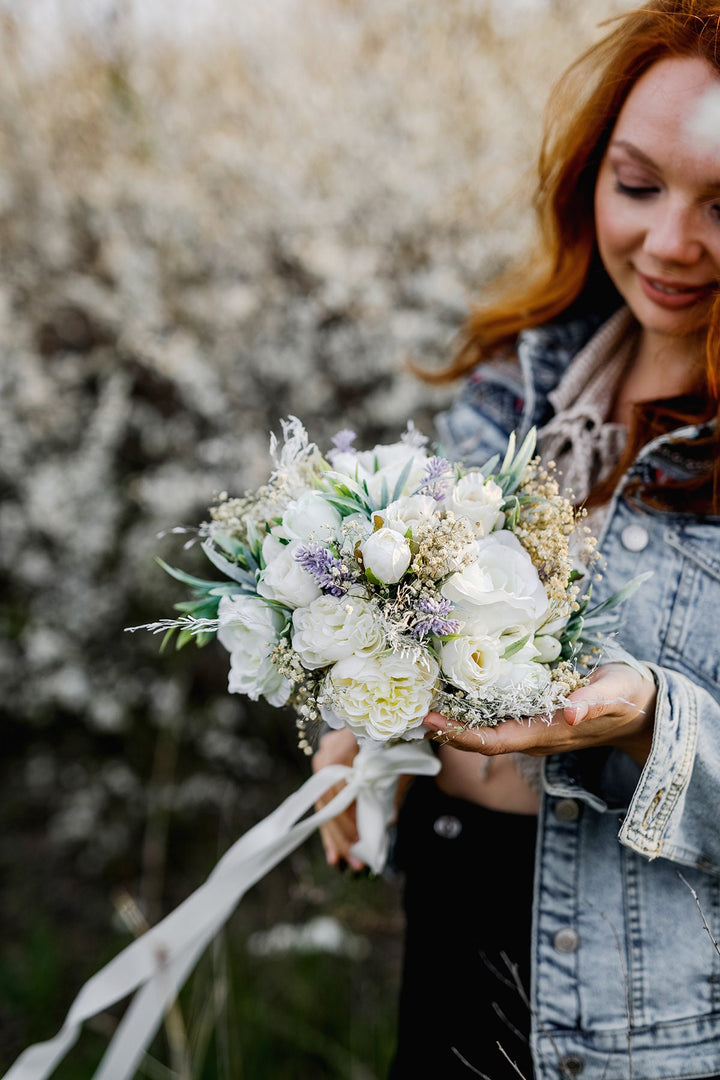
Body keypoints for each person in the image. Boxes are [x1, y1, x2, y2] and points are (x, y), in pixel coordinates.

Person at [313, 2, 720, 1078]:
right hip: (458, 916)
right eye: (638, 185)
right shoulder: (520, 385)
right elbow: (416, 608)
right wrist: (362, 718)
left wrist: (650, 724)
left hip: (651, 1022)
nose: (670, 243)